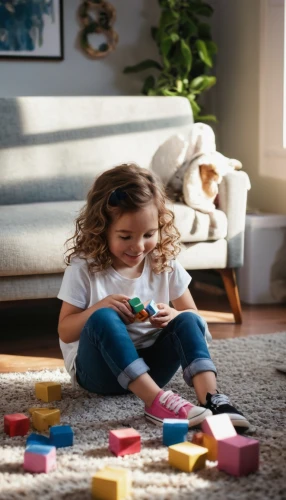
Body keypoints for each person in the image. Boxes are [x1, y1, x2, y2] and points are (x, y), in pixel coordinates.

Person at [57, 163, 249, 430]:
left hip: (152, 369)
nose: (138, 246)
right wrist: (98, 308)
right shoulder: (84, 267)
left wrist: (175, 314)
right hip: (99, 374)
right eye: (125, 236)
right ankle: (156, 402)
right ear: (102, 229)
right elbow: (65, 331)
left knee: (187, 321)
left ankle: (212, 399)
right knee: (102, 317)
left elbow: (195, 319)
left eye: (148, 234)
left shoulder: (163, 261)